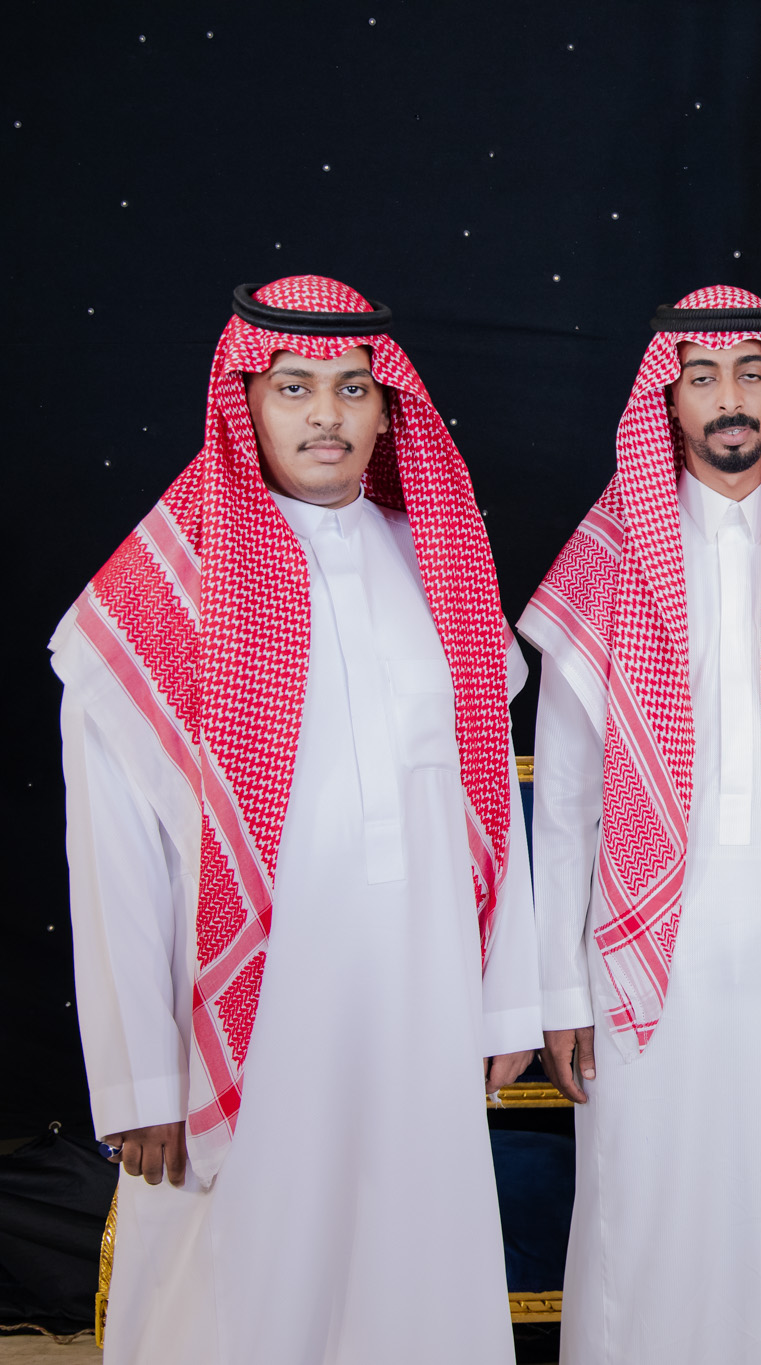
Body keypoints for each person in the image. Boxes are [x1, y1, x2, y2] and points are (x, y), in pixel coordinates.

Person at [55, 276, 539, 1364]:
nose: (326, 414)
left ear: (388, 409)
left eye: (352, 387)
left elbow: (483, 807)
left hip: (420, 1000)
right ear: (245, 403)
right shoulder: (160, 588)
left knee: (412, 1265)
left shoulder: (441, 569)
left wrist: (505, 999)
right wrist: (139, 1076)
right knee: (239, 1287)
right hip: (246, 1016)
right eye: (293, 387)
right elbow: (114, 856)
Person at [520, 287, 761, 1365]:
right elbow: (566, 805)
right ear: (667, 400)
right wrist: (559, 989)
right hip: (639, 958)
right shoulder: (606, 560)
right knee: (641, 1219)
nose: (730, 398)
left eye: (750, 373)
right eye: (702, 376)